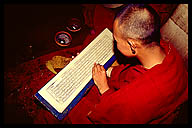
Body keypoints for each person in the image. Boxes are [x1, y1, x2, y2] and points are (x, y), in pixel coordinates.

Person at [65, 4, 188, 124]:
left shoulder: (136, 97)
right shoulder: (168, 50)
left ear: (132, 45)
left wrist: (104, 88)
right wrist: (109, 71)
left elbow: (112, 116)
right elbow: (132, 73)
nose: (114, 42)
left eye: (116, 40)